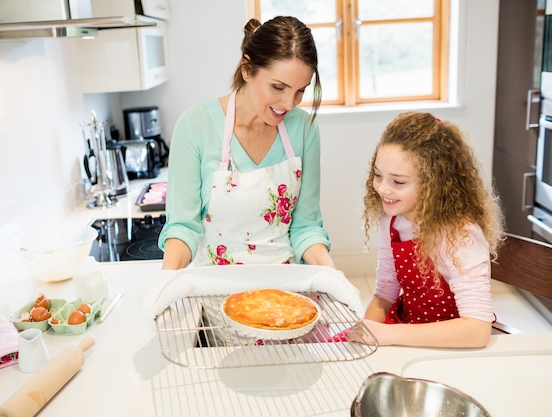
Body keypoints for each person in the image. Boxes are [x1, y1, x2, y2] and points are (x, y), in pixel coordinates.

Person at [158, 16, 335, 270]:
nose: (289, 104)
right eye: (278, 87)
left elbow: (306, 227)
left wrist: (332, 275)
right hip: (215, 289)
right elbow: (183, 227)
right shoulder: (195, 125)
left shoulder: (304, 129)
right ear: (247, 69)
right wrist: (166, 283)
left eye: (300, 91)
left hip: (287, 289)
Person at [361, 111, 505, 348]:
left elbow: (477, 329)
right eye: (378, 175)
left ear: (433, 183)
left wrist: (388, 335)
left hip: (454, 344)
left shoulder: (460, 234)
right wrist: (367, 334)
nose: (383, 189)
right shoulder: (393, 220)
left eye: (398, 182)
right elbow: (384, 294)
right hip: (407, 328)